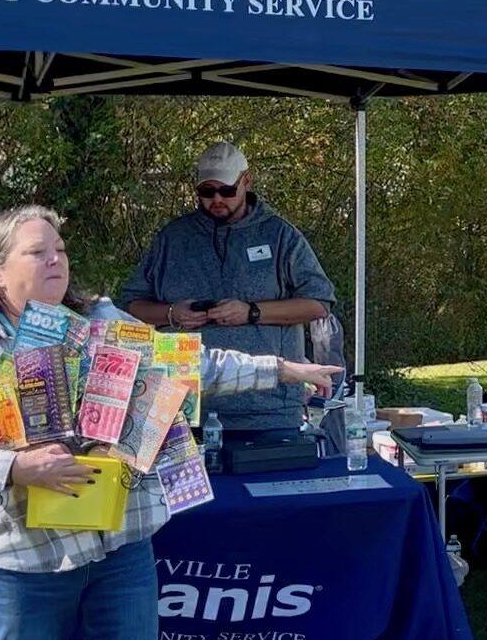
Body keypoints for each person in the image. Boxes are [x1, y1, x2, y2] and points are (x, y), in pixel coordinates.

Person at [0, 206, 340, 640]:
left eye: (59, 249)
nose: (55, 260)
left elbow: (187, 365)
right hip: (26, 563)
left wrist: (279, 368)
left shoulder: (102, 322)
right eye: (37, 252)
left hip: (120, 548)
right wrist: (15, 466)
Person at [118, 142, 336, 436]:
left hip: (269, 412)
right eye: (207, 192)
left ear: (247, 181)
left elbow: (319, 303)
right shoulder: (173, 237)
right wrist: (171, 314)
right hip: (181, 411)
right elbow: (130, 308)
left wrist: (253, 312)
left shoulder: (280, 235)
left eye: (227, 190)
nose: (216, 199)